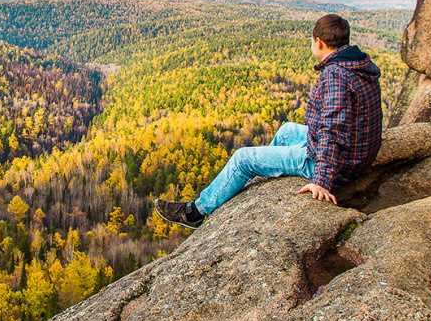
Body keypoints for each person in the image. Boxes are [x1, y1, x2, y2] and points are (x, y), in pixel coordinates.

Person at [155, 14, 382, 229]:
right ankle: (267, 173)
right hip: (356, 154)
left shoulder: (335, 75)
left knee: (242, 158)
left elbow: (333, 131)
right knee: (286, 131)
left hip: (338, 164)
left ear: (319, 42)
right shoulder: (358, 64)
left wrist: (321, 180)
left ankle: (194, 212)